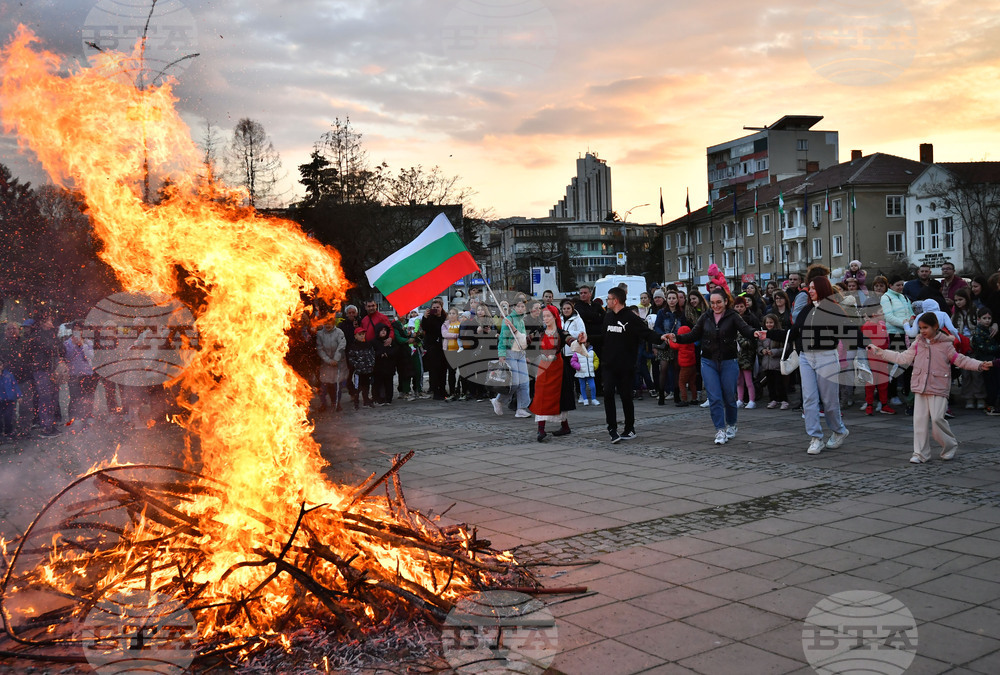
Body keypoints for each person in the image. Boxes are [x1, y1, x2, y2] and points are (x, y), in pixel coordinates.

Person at [868, 312, 992, 463]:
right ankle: (920, 454)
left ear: (935, 326)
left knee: (938, 419)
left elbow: (960, 360)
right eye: (920, 328)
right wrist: (881, 352)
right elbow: (902, 358)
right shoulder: (917, 343)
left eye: (925, 327)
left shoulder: (946, 345)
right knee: (919, 422)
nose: (922, 331)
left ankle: (949, 445)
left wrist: (979, 365)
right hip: (920, 386)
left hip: (939, 386)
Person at [770, 276, 855, 455]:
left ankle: (839, 430)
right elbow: (792, 333)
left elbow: (849, 331)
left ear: (823, 289)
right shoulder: (806, 309)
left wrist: (867, 345)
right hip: (806, 357)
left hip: (827, 357)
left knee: (829, 400)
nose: (810, 291)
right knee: (809, 399)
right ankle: (815, 438)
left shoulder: (834, 309)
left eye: (814, 288)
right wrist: (769, 334)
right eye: (809, 288)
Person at [668, 288, 757, 445]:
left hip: (729, 361)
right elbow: (693, 334)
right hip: (708, 361)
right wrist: (677, 338)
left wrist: (755, 333)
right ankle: (720, 430)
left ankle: (731, 424)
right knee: (714, 397)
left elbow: (745, 329)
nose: (715, 306)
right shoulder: (706, 317)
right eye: (713, 303)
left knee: (729, 396)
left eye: (719, 302)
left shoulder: (733, 316)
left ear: (726, 302)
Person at [602, 287, 669, 443]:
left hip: (626, 365)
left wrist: (661, 338)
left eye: (608, 299)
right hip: (609, 364)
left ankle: (629, 428)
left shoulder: (630, 317)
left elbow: (646, 333)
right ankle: (612, 428)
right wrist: (586, 339)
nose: (607, 301)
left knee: (626, 396)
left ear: (615, 300)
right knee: (608, 393)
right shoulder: (608, 317)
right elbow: (603, 336)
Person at [529, 305, 580, 441]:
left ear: (555, 317)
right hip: (543, 367)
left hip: (558, 368)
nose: (545, 319)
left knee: (559, 397)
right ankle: (541, 429)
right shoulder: (540, 332)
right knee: (541, 396)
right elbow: (526, 341)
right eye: (544, 316)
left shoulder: (561, 333)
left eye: (548, 316)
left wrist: (578, 341)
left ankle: (565, 426)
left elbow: (571, 341)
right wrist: (513, 330)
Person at [492, 298, 531, 418]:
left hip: (520, 353)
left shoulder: (521, 320)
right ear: (513, 307)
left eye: (523, 306)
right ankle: (499, 400)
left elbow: (522, 339)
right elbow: (502, 339)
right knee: (514, 383)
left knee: (524, 382)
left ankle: (521, 409)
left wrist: (525, 352)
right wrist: (501, 354)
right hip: (510, 352)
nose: (520, 309)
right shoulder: (508, 320)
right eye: (518, 306)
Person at [25, 313, 61, 436]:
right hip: (41, 371)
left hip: (50, 370)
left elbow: (60, 348)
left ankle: (50, 424)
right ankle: (46, 427)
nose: (51, 323)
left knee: (52, 398)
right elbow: (49, 348)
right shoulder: (37, 335)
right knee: (45, 398)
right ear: (42, 323)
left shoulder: (50, 334)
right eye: (49, 321)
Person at [653, 288, 687, 405]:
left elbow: (685, 328)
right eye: (669, 298)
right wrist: (664, 336)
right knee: (664, 369)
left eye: (674, 298)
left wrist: (678, 338)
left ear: (677, 300)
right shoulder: (661, 312)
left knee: (677, 369)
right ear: (666, 300)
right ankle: (662, 394)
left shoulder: (682, 313)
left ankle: (676, 394)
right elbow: (657, 327)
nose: (671, 300)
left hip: (677, 344)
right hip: (665, 344)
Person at [860, 306, 895, 415]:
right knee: (870, 382)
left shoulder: (882, 325)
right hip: (872, 359)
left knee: (883, 382)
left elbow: (885, 342)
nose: (884, 313)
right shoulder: (867, 326)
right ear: (874, 314)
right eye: (881, 311)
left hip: (883, 357)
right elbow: (864, 343)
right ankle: (869, 405)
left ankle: (884, 405)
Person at [64, 321, 99, 425]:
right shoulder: (67, 343)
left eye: (80, 330)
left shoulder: (88, 342)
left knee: (88, 396)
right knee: (75, 396)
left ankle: (88, 415)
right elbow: (67, 358)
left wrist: (82, 345)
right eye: (75, 329)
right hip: (73, 373)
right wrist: (74, 346)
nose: (78, 332)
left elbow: (90, 357)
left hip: (87, 373)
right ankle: (74, 417)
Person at [971, 307, 1000, 415]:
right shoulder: (978, 332)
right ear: (979, 319)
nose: (987, 320)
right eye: (984, 318)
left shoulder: (988, 330)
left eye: (989, 318)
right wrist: (997, 348)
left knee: (994, 383)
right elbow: (983, 348)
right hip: (985, 361)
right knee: (990, 384)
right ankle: (990, 405)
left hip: (991, 360)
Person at [757, 314, 788, 409]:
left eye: (771, 322)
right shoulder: (763, 334)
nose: (769, 324)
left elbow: (786, 348)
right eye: (767, 322)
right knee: (770, 384)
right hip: (766, 363)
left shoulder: (780, 333)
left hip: (777, 363)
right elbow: (759, 345)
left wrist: (774, 352)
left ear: (775, 323)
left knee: (779, 383)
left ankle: (783, 400)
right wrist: (762, 350)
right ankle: (773, 400)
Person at [315, 316, 346, 412]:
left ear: (333, 324)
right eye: (326, 323)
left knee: (337, 385)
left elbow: (342, 346)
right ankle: (323, 403)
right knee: (323, 385)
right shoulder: (320, 334)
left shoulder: (339, 332)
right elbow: (319, 349)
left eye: (330, 323)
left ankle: (336, 403)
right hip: (326, 364)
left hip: (338, 363)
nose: (328, 325)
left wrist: (336, 359)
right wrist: (328, 360)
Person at [733, 297, 758, 409]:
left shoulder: (751, 318)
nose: (739, 308)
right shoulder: (732, 318)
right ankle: (740, 399)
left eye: (741, 306)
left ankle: (752, 400)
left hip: (747, 354)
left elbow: (752, 340)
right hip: (736, 354)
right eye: (737, 306)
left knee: (748, 379)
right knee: (739, 380)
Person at [420, 298, 447, 400]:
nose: (436, 309)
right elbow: (425, 328)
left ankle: (443, 389)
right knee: (434, 370)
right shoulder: (429, 318)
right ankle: (436, 391)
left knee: (443, 370)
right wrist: (425, 317)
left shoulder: (445, 317)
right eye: (434, 308)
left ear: (441, 307)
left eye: (438, 307)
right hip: (433, 348)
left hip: (443, 347)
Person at [669, 325, 698, 406]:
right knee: (692, 383)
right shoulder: (691, 342)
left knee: (681, 382)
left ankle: (684, 399)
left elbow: (673, 346)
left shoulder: (681, 342)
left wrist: (669, 340)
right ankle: (694, 398)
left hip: (685, 366)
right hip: (692, 365)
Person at [372, 323, 398, 405]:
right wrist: (380, 354)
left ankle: (388, 398)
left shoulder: (390, 341)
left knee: (389, 383)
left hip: (389, 366)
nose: (383, 332)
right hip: (378, 367)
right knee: (377, 383)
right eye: (381, 330)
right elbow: (372, 352)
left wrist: (388, 354)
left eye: (385, 330)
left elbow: (395, 350)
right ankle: (378, 398)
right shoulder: (374, 342)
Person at [442, 307, 462, 400]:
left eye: (453, 313)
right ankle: (452, 391)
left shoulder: (460, 323)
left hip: (460, 350)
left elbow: (464, 333)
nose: (451, 315)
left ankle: (461, 390)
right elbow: (445, 334)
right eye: (450, 313)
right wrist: (457, 335)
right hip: (449, 350)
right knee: (451, 372)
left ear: (457, 315)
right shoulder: (445, 324)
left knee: (462, 371)